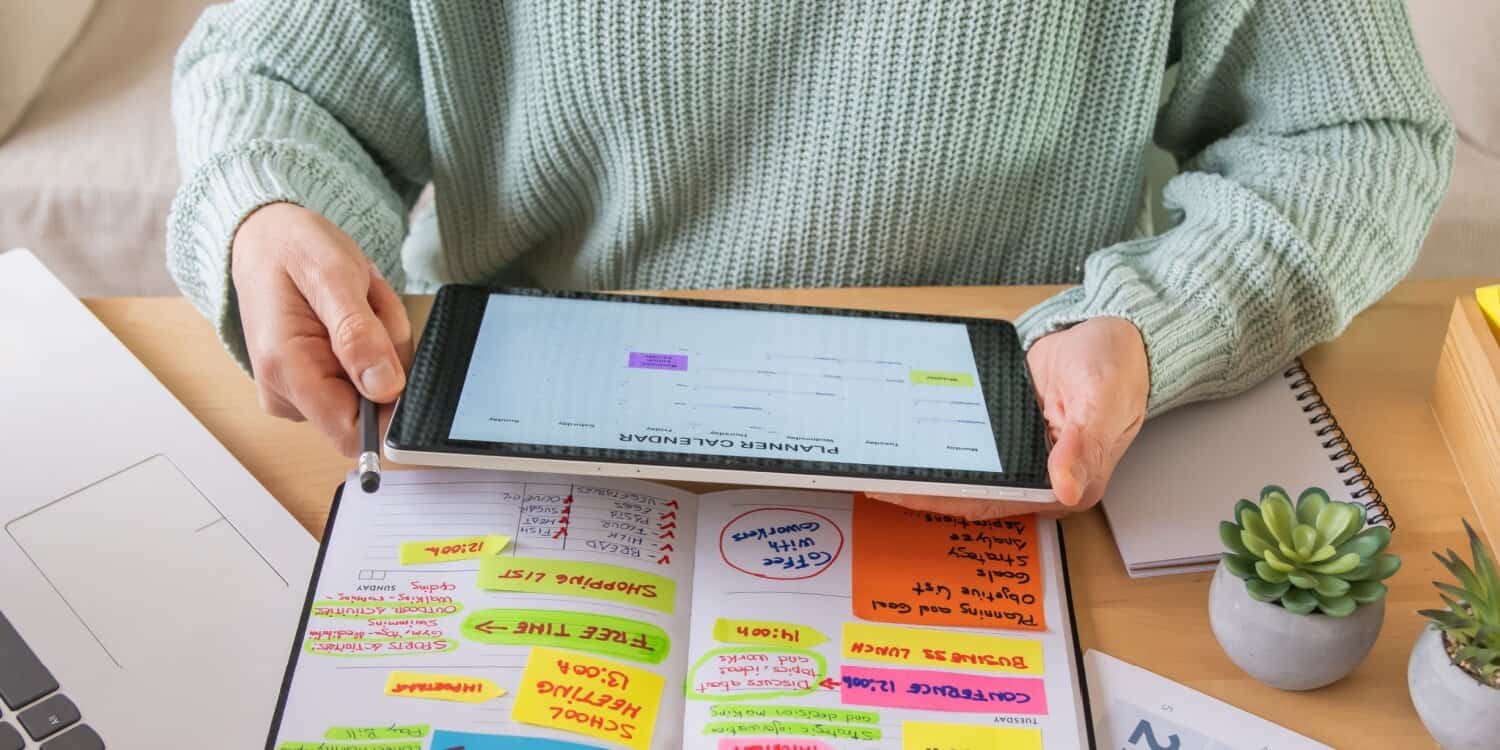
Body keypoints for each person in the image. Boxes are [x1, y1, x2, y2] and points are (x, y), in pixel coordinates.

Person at [167, 2, 1452, 520]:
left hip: (1012, 473)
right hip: (524, 461)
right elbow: (274, 77)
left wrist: (1153, 326)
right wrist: (263, 213)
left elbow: (1355, 133)